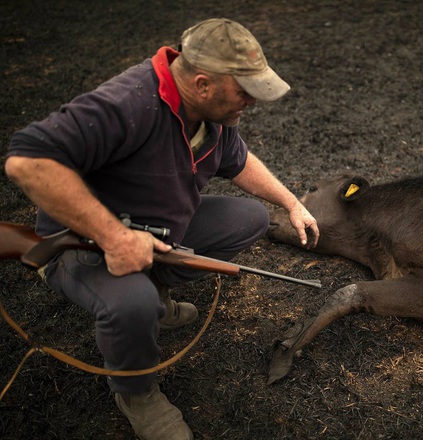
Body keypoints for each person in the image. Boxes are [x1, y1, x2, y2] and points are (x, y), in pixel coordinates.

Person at [4, 18, 319, 439]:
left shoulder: (212, 113)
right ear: (203, 84)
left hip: (157, 232)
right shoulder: (126, 104)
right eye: (244, 91)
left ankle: (157, 292)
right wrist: (114, 237)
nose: (253, 101)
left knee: (252, 219)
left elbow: (237, 160)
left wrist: (291, 202)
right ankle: (135, 392)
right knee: (132, 304)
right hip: (81, 245)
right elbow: (25, 161)